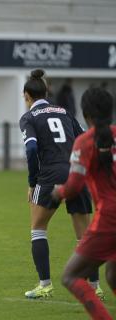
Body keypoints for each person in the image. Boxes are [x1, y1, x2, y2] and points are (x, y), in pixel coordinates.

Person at [19, 69, 102, 299]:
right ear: (46, 92)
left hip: (49, 176)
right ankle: (95, 287)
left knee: (38, 229)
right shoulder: (64, 111)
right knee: (85, 236)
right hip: (76, 173)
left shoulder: (29, 117)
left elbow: (32, 148)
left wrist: (32, 181)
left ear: (26, 95)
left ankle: (45, 285)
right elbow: (85, 139)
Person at [52, 87, 115, 319]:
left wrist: (58, 193)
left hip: (109, 219)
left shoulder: (84, 142)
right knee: (112, 275)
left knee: (71, 276)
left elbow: (74, 188)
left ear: (86, 114)